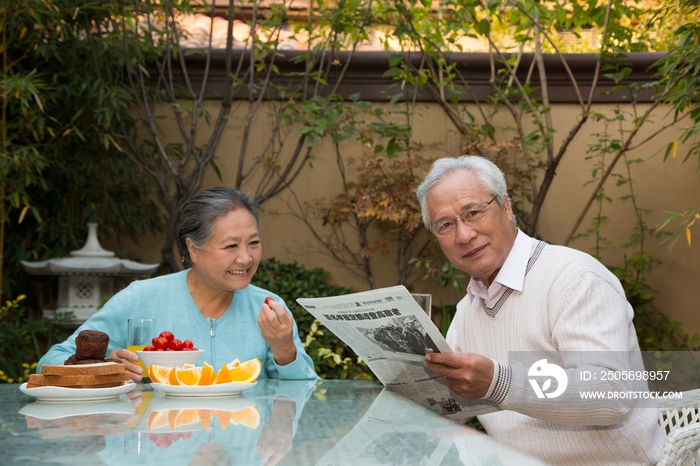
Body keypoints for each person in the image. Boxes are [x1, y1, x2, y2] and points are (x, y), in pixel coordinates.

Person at [416, 155, 664, 465]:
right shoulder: (468, 311)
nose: (464, 235)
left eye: (473, 212)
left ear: (506, 207)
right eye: (446, 225)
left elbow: (611, 394)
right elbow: (452, 407)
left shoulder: (574, 278)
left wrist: (499, 382)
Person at [38, 187, 319, 381]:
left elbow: (306, 396)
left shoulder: (268, 309)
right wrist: (105, 366)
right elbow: (49, 362)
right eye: (231, 245)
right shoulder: (140, 298)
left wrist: (284, 348)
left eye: (254, 243)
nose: (245, 258)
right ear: (193, 249)